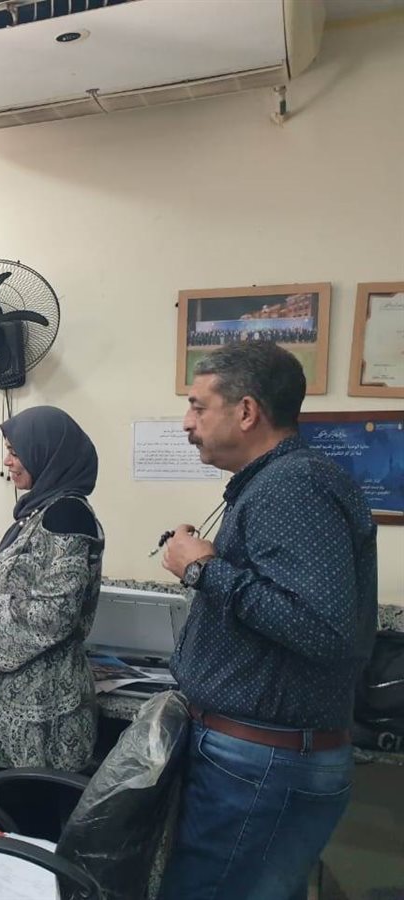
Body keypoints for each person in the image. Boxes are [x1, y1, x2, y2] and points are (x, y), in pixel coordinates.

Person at [158, 342, 377, 900]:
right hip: (259, 759)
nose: (186, 423)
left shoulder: (293, 486)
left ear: (247, 411)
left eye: (197, 406)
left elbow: (323, 629)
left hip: (262, 763)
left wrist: (203, 569)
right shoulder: (278, 482)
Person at [0, 406, 104, 772]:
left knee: (30, 802)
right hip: (22, 701)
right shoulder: (42, 511)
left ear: (45, 453)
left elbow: (54, 615)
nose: (7, 461)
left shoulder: (66, 515)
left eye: (16, 452)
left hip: (43, 711)